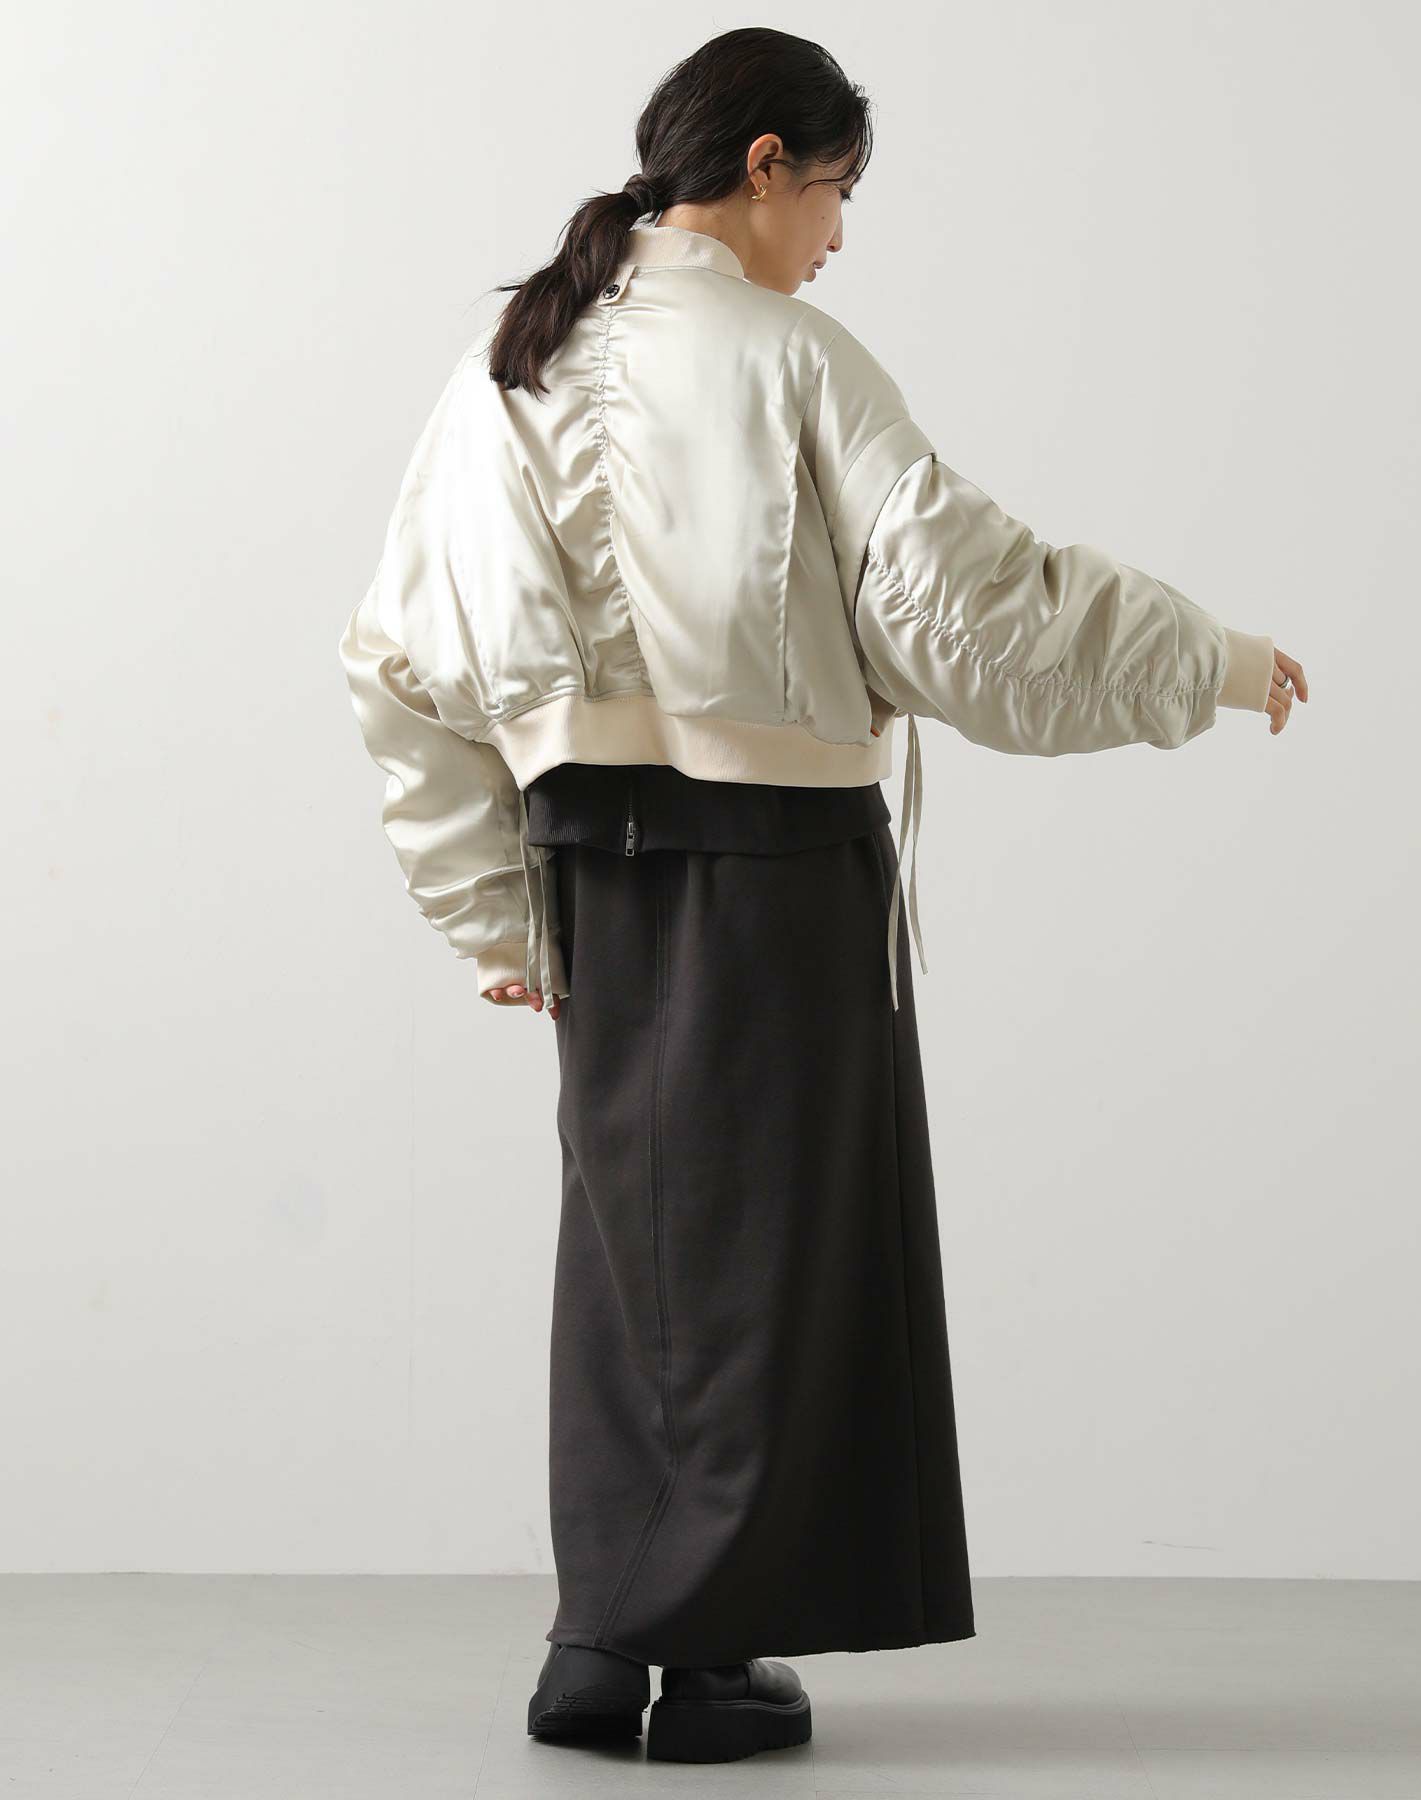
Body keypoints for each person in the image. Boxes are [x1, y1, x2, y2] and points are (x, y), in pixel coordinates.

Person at [337, 25, 1308, 1767]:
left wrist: (491, 909)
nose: (841, 235)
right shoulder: (790, 356)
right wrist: (1210, 660)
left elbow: (398, 662)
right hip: (775, 864)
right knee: (775, 1262)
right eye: (839, 191)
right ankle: (703, 1663)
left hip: (587, 867)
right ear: (767, 165)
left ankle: (599, 1645)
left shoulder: (505, 364)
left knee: (635, 1260)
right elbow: (968, 614)